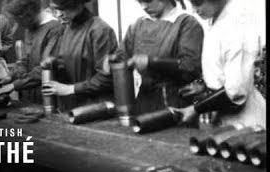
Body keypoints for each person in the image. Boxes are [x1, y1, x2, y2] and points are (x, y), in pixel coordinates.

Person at [172, 0, 266, 130]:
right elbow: (222, 68)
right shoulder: (217, 20)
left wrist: (195, 109)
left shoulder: (237, 25)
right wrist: (204, 85)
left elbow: (236, 91)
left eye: (198, 3)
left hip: (246, 121)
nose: (194, 10)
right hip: (227, 115)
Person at [103, 0, 204, 115]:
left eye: (148, 1)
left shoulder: (186, 24)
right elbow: (123, 57)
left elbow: (190, 67)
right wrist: (113, 61)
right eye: (139, 2)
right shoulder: (138, 26)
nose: (144, 7)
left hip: (175, 103)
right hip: (144, 102)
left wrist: (152, 62)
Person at [41, 0, 118, 111]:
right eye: (55, 9)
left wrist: (70, 89)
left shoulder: (100, 30)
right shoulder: (65, 29)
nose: (58, 14)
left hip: (97, 107)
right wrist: (54, 63)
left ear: (78, 4)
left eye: (63, 9)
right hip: (71, 106)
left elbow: (107, 78)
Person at [0, 0, 64, 104]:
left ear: (27, 15)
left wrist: (13, 86)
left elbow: (46, 69)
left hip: (51, 98)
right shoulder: (30, 28)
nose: (18, 24)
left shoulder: (55, 30)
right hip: (31, 95)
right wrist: (12, 76)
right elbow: (26, 60)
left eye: (18, 20)